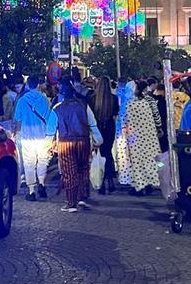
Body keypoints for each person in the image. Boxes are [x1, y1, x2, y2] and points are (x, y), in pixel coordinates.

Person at [45, 79, 103, 212]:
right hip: (83, 141)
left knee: (69, 172)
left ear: (62, 95)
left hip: (65, 143)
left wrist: (48, 146)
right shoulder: (84, 105)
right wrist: (98, 140)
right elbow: (92, 124)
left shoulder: (57, 108)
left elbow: (51, 130)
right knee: (83, 169)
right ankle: (82, 197)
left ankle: (71, 202)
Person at [118, 79, 162, 195]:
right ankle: (150, 183)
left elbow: (125, 119)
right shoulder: (150, 101)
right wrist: (158, 128)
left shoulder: (130, 103)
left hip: (134, 137)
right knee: (151, 159)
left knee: (136, 161)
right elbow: (157, 117)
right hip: (149, 135)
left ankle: (138, 185)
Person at [14, 75, 52, 201]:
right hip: (42, 136)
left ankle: (31, 191)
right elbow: (49, 118)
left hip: (27, 137)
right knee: (42, 160)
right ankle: (42, 184)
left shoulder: (22, 101)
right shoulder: (44, 99)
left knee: (29, 163)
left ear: (27, 85)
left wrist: (15, 133)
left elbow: (18, 120)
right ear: (37, 85)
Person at [92, 76, 118, 194]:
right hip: (109, 127)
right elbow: (115, 114)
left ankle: (101, 182)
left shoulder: (92, 99)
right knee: (108, 153)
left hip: (98, 127)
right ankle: (110, 180)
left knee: (100, 154)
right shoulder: (113, 98)